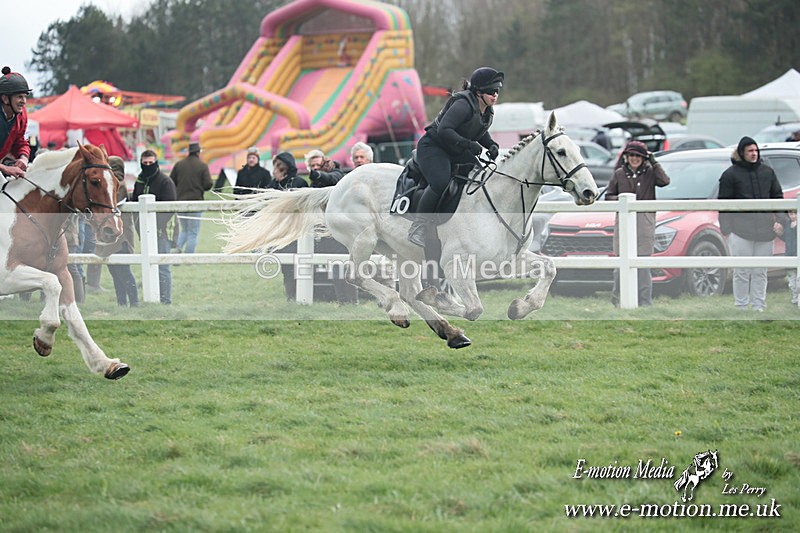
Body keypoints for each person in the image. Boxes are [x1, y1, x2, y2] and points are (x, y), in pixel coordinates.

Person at [407, 66, 503, 246]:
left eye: (497, 90)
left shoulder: (487, 110)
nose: (495, 95)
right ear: (479, 92)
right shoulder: (463, 104)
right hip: (434, 147)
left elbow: (479, 131)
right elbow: (444, 129)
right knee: (441, 182)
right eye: (491, 91)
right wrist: (468, 144)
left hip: (454, 149)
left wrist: (491, 145)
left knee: (481, 177)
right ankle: (418, 226)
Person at [718, 136, 788, 312]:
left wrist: (780, 220)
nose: (754, 154)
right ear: (742, 153)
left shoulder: (768, 172)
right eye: (750, 151)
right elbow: (723, 204)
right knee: (741, 271)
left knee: (760, 271)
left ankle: (759, 306)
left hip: (765, 231)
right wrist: (726, 230)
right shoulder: (729, 175)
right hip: (740, 232)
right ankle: (741, 306)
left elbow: (778, 198)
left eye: (756, 150)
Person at [606, 140, 671, 307]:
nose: (635, 158)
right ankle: (618, 299)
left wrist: (654, 161)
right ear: (626, 157)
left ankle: (645, 302)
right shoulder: (619, 173)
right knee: (620, 265)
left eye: (638, 156)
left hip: (644, 224)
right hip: (624, 224)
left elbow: (664, 181)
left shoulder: (650, 172)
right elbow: (609, 196)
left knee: (643, 265)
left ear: (644, 158)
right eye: (632, 155)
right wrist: (624, 200)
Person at [132, 149, 177, 304]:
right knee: (148, 264)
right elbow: (134, 203)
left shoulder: (165, 181)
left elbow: (169, 209)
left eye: (151, 163)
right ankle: (152, 297)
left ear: (156, 162)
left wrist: (155, 226)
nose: (148, 165)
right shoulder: (139, 181)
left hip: (161, 231)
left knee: (162, 266)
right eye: (145, 163)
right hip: (144, 230)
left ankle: (165, 300)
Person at [95, 156, 139, 307]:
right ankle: (122, 302)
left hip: (122, 236)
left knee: (123, 270)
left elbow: (111, 205)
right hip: (113, 236)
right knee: (114, 270)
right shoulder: (111, 184)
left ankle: (134, 303)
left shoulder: (118, 186)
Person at [268, 152, 308, 300]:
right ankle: (291, 296)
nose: (276, 168)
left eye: (279, 165)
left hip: (297, 230)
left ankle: (301, 295)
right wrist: (276, 183)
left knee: (299, 265)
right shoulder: (273, 184)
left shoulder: (299, 183)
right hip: (281, 231)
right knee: (287, 267)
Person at [169, 142, 212, 253]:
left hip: (180, 202)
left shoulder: (179, 165)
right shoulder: (202, 166)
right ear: (198, 152)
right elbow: (208, 184)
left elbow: (171, 181)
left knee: (184, 230)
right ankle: (188, 256)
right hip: (196, 202)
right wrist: (199, 187)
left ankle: (177, 249)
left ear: (189, 152)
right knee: (193, 232)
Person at [0, 66, 32, 180]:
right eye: (19, 97)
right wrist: (5, 168)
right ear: (5, 99)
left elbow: (22, 142)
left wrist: (23, 158)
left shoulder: (22, 115)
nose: (23, 102)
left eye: (24, 96)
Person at [778, 210, 798, 305]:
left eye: (796, 213)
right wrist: (780, 233)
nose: (793, 216)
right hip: (789, 255)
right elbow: (787, 238)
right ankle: (795, 299)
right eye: (791, 214)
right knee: (792, 283)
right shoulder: (788, 224)